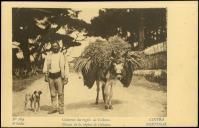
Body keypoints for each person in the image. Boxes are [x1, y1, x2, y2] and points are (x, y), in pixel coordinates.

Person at [43, 40, 69, 114]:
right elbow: (45, 65)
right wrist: (46, 75)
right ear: (52, 47)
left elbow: (66, 66)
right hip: (51, 77)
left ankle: (61, 109)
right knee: (52, 93)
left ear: (58, 47)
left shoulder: (62, 55)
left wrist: (66, 77)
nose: (55, 47)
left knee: (60, 93)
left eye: (56, 46)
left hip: (59, 77)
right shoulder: (48, 56)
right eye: (53, 46)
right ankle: (54, 108)